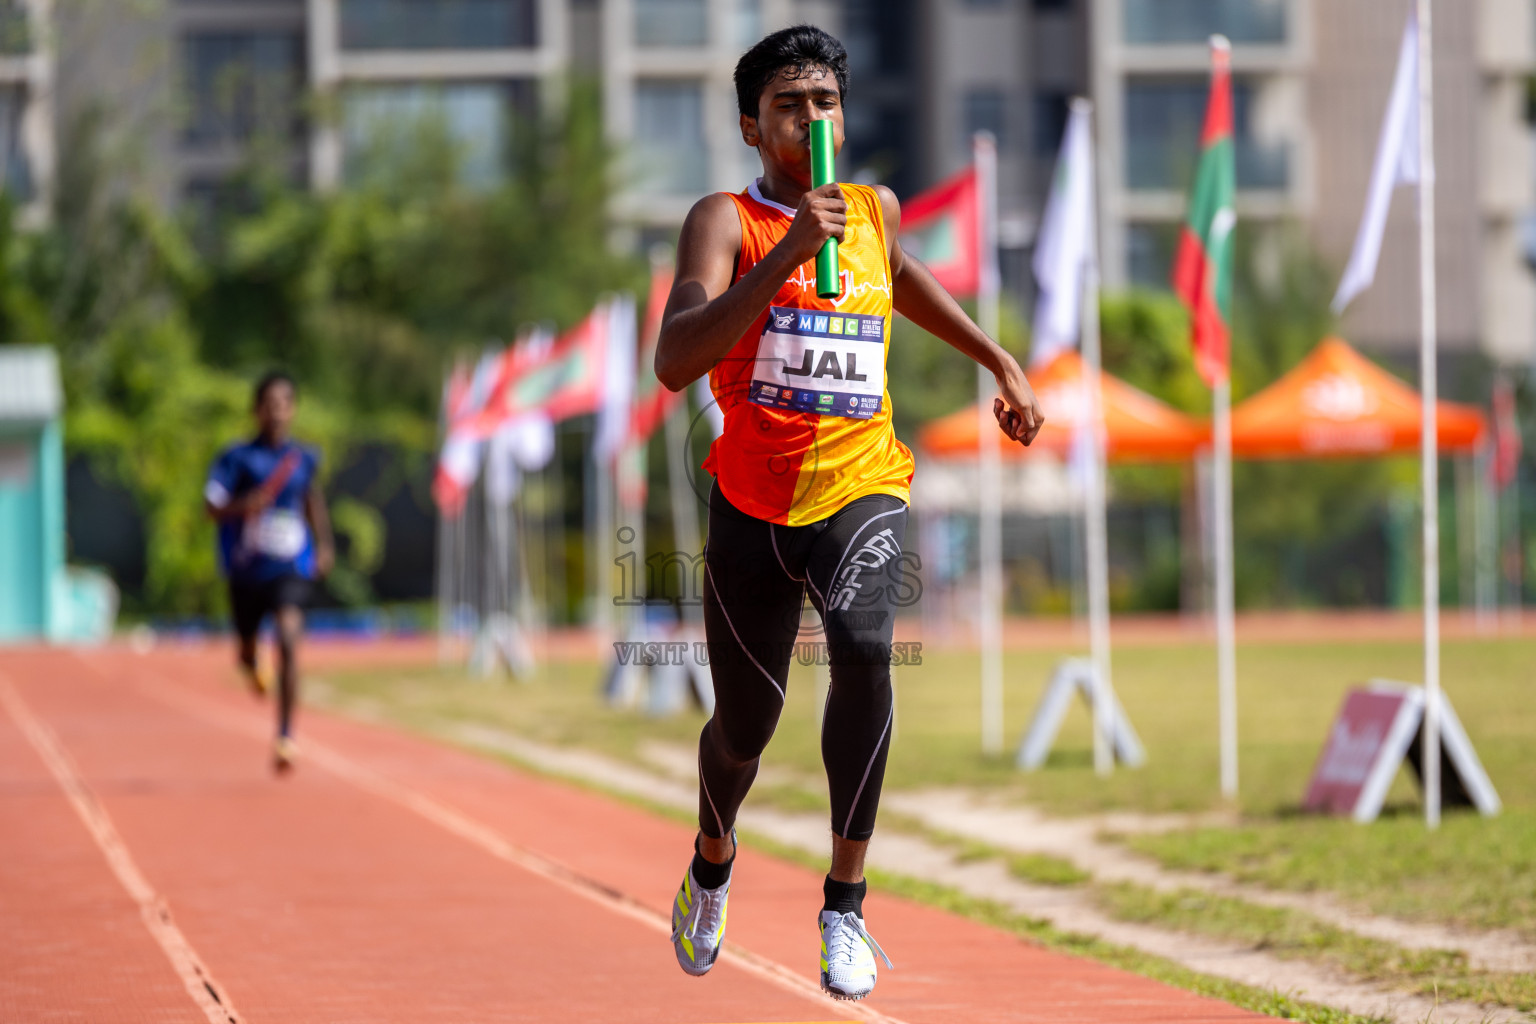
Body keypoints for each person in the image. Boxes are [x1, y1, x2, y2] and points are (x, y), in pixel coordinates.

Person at [653, 25, 1043, 1001]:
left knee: (868, 651)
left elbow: (902, 278)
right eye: (790, 103)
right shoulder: (724, 218)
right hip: (752, 499)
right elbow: (675, 359)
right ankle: (711, 859)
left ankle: (846, 906)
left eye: (825, 100)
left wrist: (995, 357)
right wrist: (785, 252)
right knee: (745, 729)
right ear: (752, 125)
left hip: (864, 481)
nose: (811, 118)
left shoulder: (873, 211)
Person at [204, 371, 334, 773]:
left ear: (292, 409)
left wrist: (325, 544)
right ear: (256, 410)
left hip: (290, 566)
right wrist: (245, 505)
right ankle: (253, 662)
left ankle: (285, 735)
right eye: (269, 404)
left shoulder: (304, 459)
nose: (277, 412)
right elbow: (212, 506)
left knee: (290, 639)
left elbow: (312, 500)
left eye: (284, 404)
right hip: (246, 570)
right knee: (246, 652)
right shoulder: (237, 458)